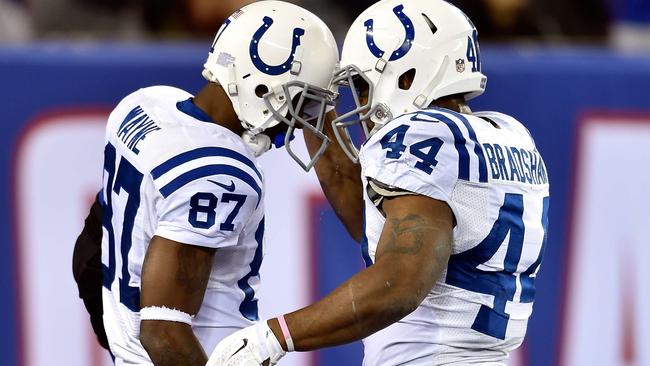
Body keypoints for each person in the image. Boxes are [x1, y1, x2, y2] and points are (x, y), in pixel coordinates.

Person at [207, 0, 550, 365]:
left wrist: (273, 337)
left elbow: (400, 282)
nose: (363, 100)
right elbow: (369, 218)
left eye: (363, 84)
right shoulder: (511, 135)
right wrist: (317, 113)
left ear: (408, 77)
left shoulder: (419, 134)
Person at [71, 1, 339, 364]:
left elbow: (88, 252)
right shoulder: (219, 173)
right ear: (263, 88)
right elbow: (163, 332)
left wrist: (123, 345)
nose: (297, 122)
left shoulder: (146, 104)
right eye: (300, 103)